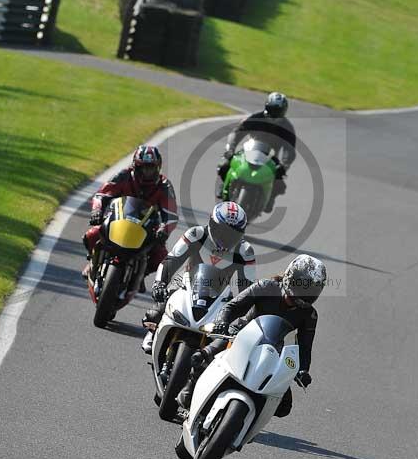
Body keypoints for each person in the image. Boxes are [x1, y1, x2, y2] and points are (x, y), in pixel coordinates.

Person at [177, 254, 326, 417]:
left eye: (311, 289)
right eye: (302, 285)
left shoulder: (309, 315)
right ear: (291, 277)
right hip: (241, 335)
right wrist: (222, 322)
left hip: (272, 349)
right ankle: (190, 387)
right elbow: (232, 306)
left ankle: (249, 418)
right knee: (202, 356)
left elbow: (305, 347)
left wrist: (303, 370)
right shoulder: (266, 287)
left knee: (284, 406)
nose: (304, 293)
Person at [141, 201, 256, 353]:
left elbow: (246, 287)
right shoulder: (196, 234)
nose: (226, 238)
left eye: (232, 234)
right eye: (222, 231)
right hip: (186, 279)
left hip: (221, 290)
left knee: (231, 328)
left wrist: (243, 314)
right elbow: (171, 260)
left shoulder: (245, 251)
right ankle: (153, 331)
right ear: (212, 224)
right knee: (159, 307)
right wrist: (159, 283)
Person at [82, 144, 177, 281]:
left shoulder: (164, 186)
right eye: (144, 168)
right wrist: (97, 210)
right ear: (136, 166)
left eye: (151, 168)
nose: (147, 173)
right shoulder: (123, 176)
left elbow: (172, 214)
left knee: (161, 259)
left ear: (158, 167)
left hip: (147, 229)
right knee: (92, 235)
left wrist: (164, 228)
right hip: (118, 219)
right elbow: (101, 195)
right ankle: (93, 262)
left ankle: (140, 275)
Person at [216, 92, 296, 213]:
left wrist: (284, 166)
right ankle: (223, 186)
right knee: (224, 165)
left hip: (270, 157)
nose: (274, 112)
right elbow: (237, 132)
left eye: (277, 110)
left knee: (280, 183)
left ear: (283, 111)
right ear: (266, 106)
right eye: (271, 108)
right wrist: (230, 149)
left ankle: (270, 198)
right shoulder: (256, 117)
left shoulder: (287, 127)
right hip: (249, 150)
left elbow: (290, 150)